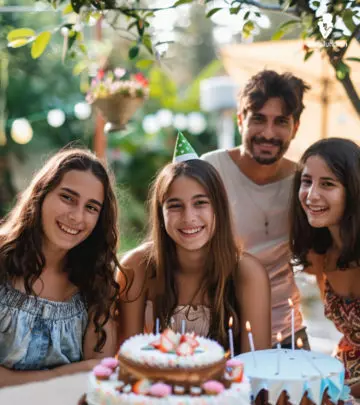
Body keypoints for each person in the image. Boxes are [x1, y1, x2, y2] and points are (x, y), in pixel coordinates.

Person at [118, 133, 271, 354]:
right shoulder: (136, 267)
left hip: (227, 386)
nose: (189, 217)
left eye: (200, 203)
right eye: (175, 206)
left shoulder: (247, 272)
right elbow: (128, 356)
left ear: (218, 207)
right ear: (160, 214)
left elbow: (256, 367)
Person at [202, 70, 310, 349]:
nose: (268, 133)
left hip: (285, 330)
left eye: (281, 122)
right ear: (241, 120)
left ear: (295, 128)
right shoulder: (209, 171)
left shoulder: (304, 182)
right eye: (258, 119)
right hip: (219, 329)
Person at [0, 147, 122, 387]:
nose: (76, 216)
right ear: (41, 194)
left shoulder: (97, 281)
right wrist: (58, 375)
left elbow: (98, 374)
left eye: (91, 207)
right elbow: (85, 370)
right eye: (68, 197)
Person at [289, 138, 360, 397]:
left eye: (327, 184)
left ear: (353, 189)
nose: (311, 194)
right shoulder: (318, 256)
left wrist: (331, 391)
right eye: (306, 181)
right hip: (342, 376)